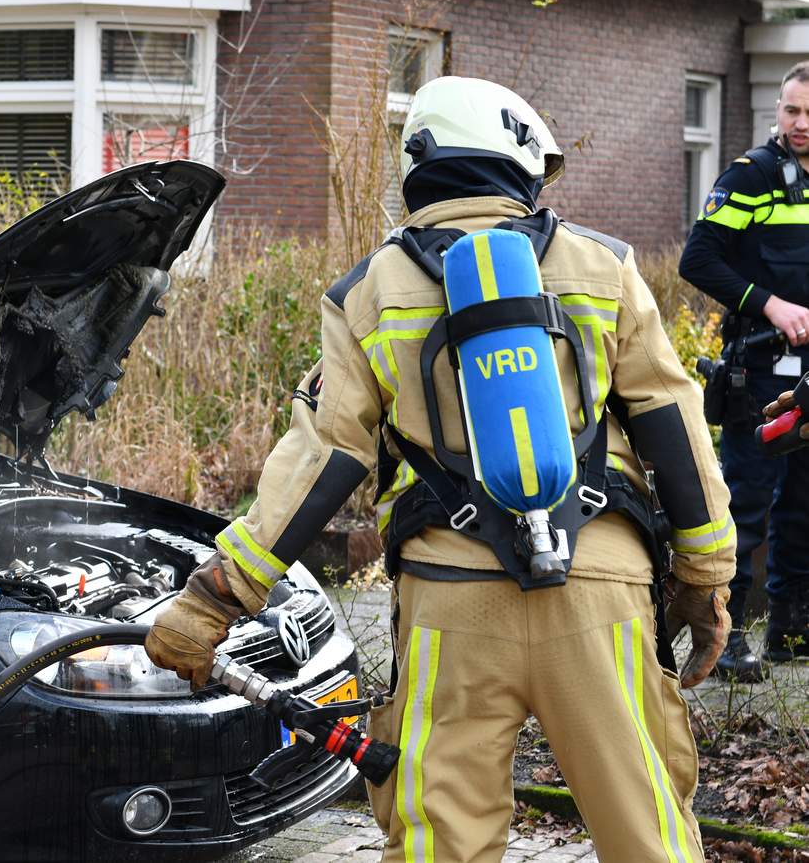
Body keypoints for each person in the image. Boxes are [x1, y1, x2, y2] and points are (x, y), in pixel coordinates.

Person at [146, 76, 733, 861]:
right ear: (516, 165)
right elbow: (674, 425)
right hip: (602, 599)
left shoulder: (369, 290)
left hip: (451, 607)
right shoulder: (605, 266)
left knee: (441, 842)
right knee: (649, 834)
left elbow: (324, 458)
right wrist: (704, 572)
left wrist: (214, 600)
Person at [678, 61, 809, 681]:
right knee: (744, 504)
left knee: (804, 505)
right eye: (791, 111)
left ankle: (790, 629)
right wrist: (770, 303)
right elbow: (697, 259)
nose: (800, 123)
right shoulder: (752, 177)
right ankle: (725, 641)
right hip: (759, 375)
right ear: (777, 113)